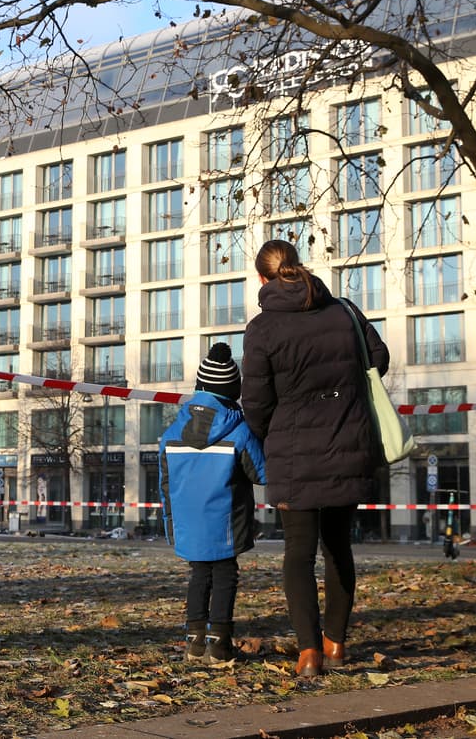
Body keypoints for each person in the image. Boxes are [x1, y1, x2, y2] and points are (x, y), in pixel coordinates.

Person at [240, 239, 389, 678]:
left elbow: (256, 401)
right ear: (298, 266)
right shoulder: (344, 310)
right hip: (348, 444)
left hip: (292, 454)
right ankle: (337, 644)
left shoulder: (263, 328)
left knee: (298, 554)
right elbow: (378, 357)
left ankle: (309, 653)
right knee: (339, 548)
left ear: (262, 278)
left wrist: (273, 433)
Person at [158, 342, 266, 664]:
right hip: (225, 522)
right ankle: (219, 644)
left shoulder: (171, 433)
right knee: (224, 575)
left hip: (188, 521)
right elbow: (261, 473)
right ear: (233, 391)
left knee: (199, 575)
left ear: (199, 387)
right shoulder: (240, 430)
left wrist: (171, 521)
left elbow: (166, 483)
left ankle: (194, 642)